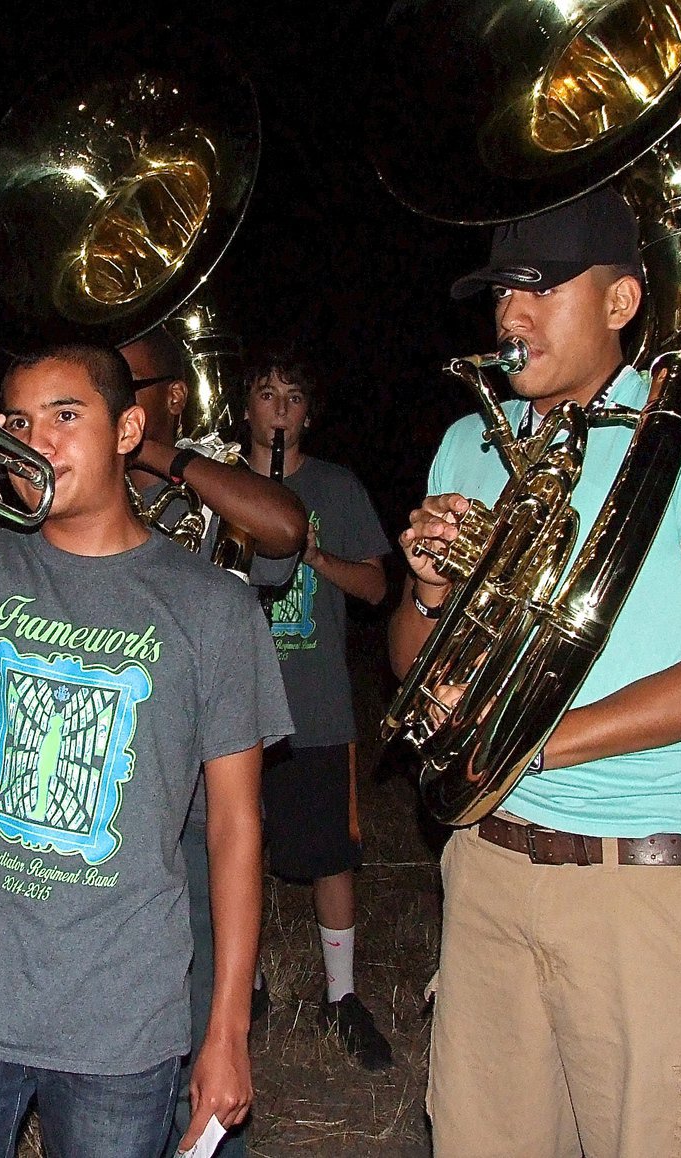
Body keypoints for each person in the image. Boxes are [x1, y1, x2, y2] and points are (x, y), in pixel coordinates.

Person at [388, 184, 681, 1157]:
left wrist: (532, 748)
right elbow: (415, 673)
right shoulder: (468, 444)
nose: (511, 317)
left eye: (542, 288)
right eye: (499, 295)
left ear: (621, 301)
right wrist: (430, 592)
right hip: (486, 874)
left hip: (638, 889)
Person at [0, 344, 292, 1158]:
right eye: (18, 422)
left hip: (121, 1020)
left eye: (66, 416)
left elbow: (237, 828)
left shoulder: (212, 609)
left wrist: (227, 1026)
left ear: (129, 429)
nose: (38, 441)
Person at [120, 325, 306, 1155]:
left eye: (124, 388)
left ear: (171, 398)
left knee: (197, 997)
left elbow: (283, 528)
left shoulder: (205, 470)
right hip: (99, 774)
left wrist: (158, 456)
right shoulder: (77, 477)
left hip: (197, 785)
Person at [242, 346, 393, 1071]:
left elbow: (376, 590)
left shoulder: (335, 487)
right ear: (245, 404)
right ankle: (248, 985)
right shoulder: (218, 484)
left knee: (331, 854)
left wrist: (308, 555)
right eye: (266, 392)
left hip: (316, 707)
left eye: (293, 396)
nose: (279, 407)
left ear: (308, 412)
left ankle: (342, 996)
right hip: (230, 711)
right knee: (235, 851)